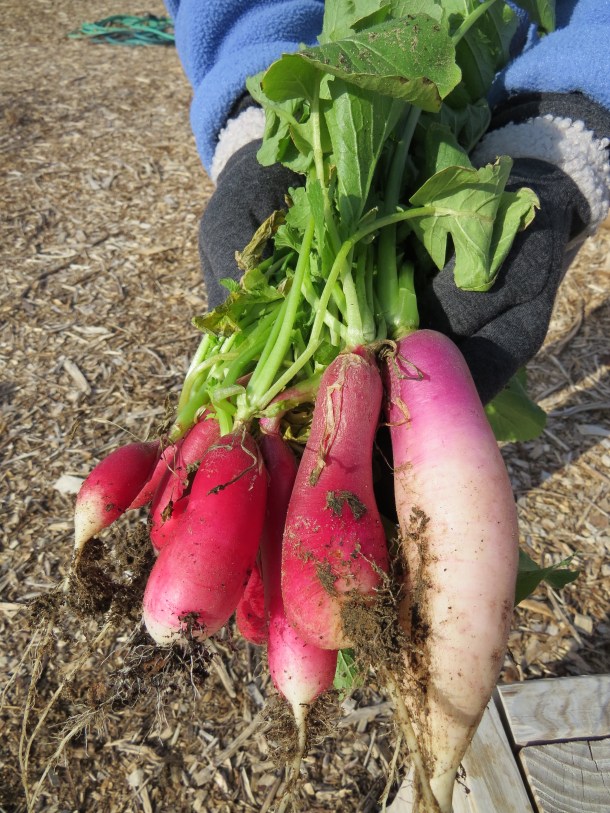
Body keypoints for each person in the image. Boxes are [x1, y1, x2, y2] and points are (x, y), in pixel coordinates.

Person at [163, 0, 609, 405]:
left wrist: (568, 133)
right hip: (326, 85)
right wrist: (257, 117)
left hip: (518, 123)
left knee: (487, 325)